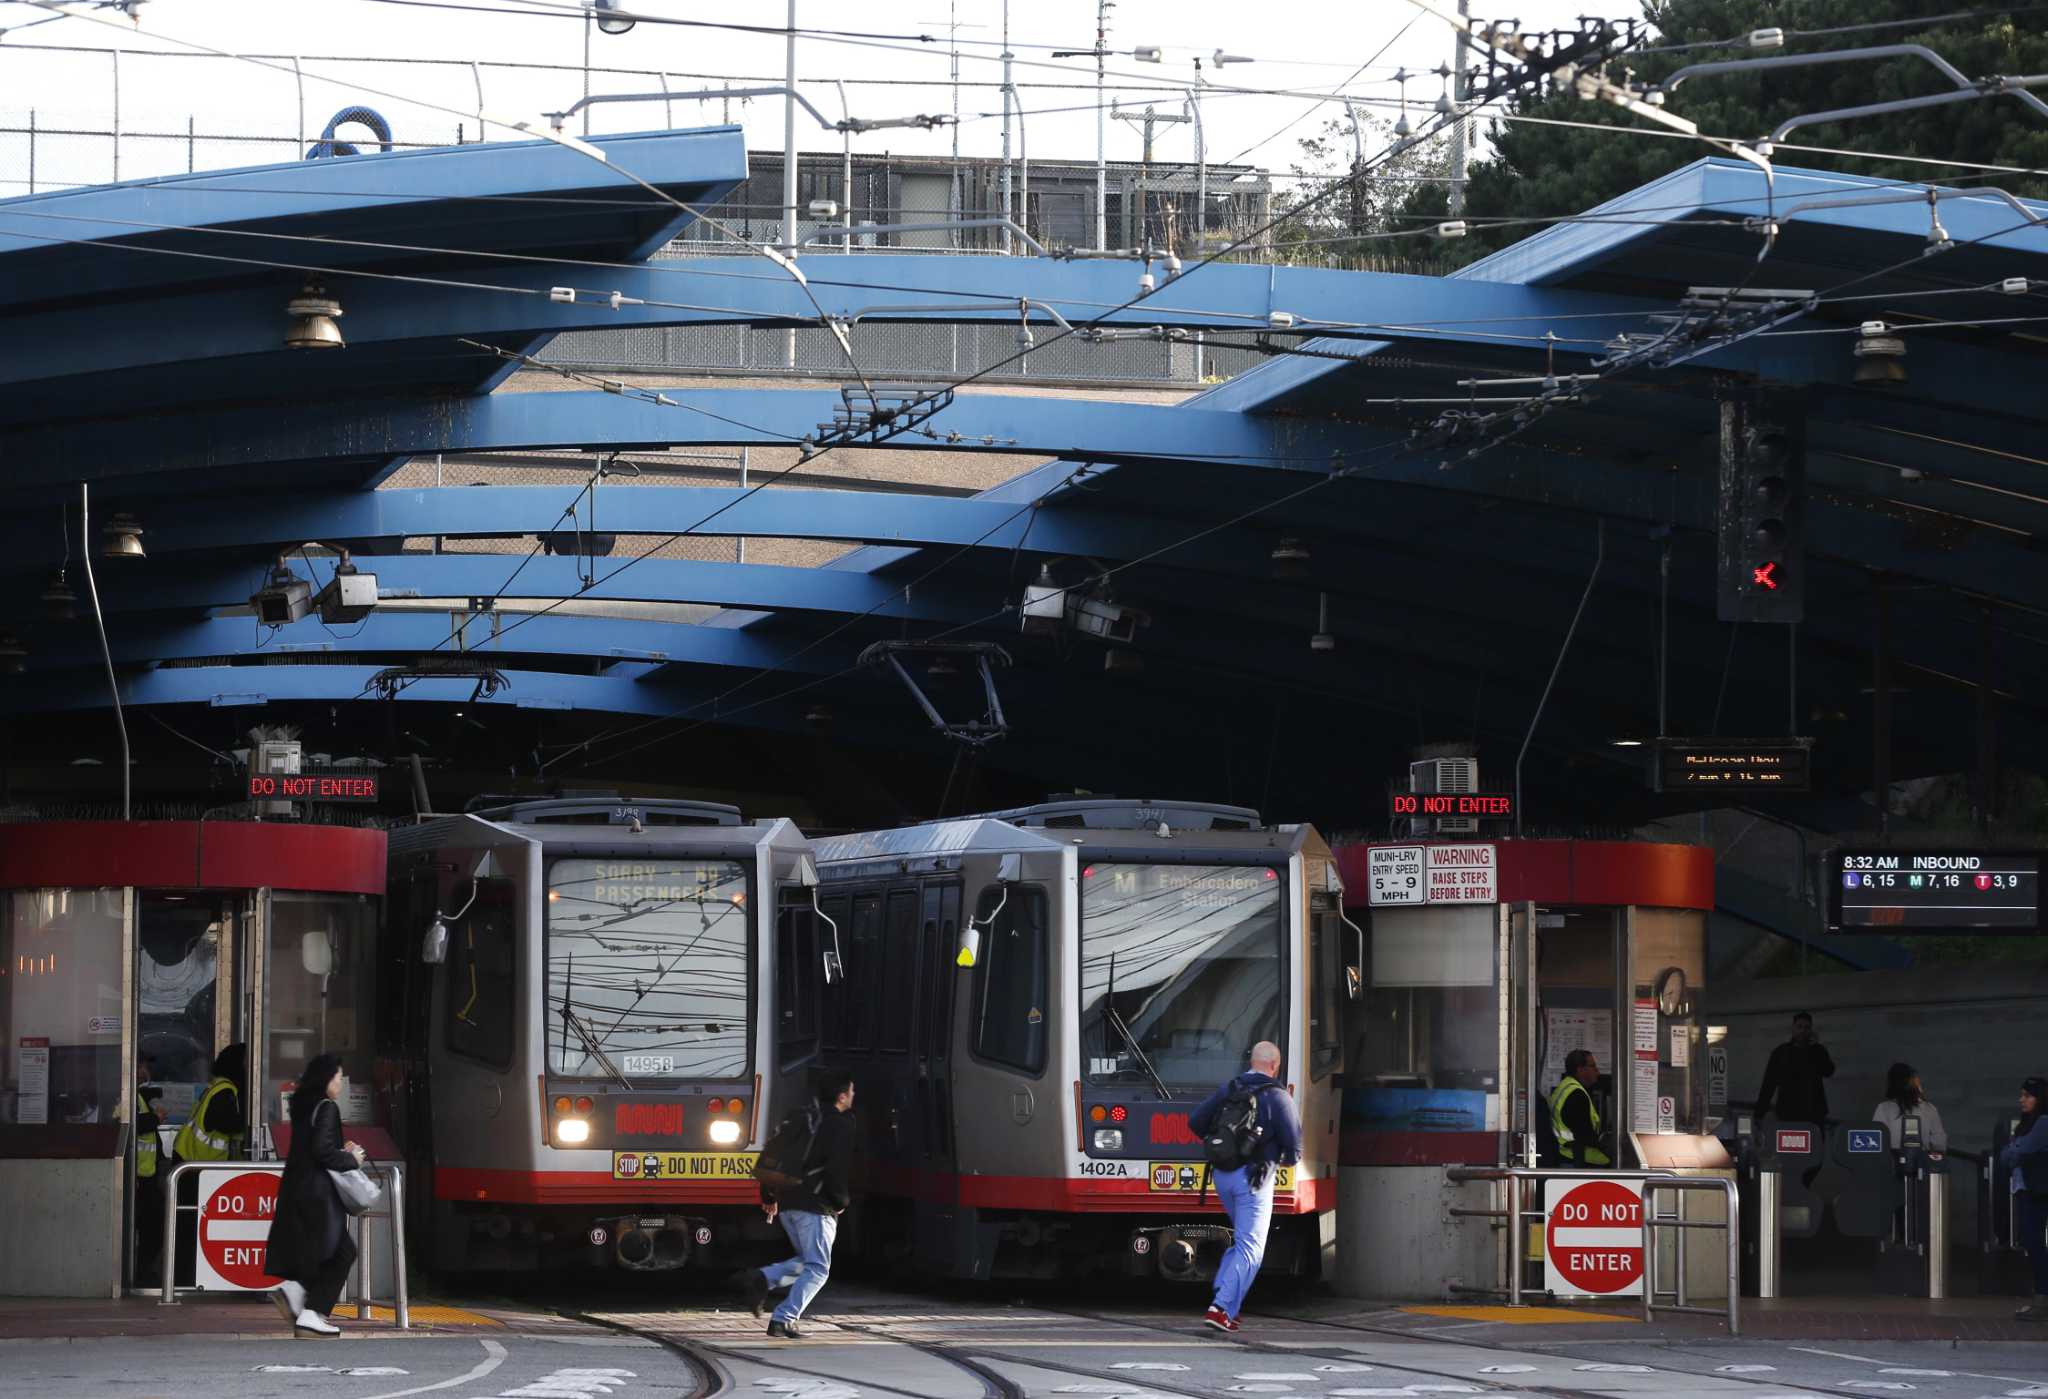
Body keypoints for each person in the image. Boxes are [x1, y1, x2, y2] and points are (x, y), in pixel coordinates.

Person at [1189, 1040, 1301, 1334]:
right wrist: (1279, 1157)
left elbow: (1196, 1122)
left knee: (1242, 1241)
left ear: (1251, 1061)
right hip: (1254, 1180)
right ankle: (1221, 1308)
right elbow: (1294, 1149)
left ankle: (1228, 1302)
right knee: (1252, 1248)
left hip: (1222, 1175)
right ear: (1275, 1066)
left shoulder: (1231, 1088)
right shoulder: (1278, 1097)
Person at [741, 1071, 856, 1339]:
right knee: (818, 1268)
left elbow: (772, 1156)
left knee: (807, 1261)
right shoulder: (839, 1124)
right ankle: (784, 1318)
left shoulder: (803, 1117)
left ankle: (763, 1278)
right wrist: (840, 1201)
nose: (853, 1096)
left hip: (789, 1203)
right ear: (842, 1096)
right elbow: (836, 1169)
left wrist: (768, 1196)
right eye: (851, 1092)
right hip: (815, 1207)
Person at [262, 1054, 367, 1337]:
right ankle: (312, 1312)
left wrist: (337, 1148)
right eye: (337, 1078)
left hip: (296, 1189)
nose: (340, 1085)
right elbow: (322, 1152)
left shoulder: (301, 1104)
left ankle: (294, 1290)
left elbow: (313, 1146)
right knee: (343, 1252)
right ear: (325, 1079)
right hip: (319, 1195)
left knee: (319, 1250)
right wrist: (352, 1159)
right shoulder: (328, 1107)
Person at [172, 1043, 247, 1286]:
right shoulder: (226, 1090)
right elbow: (224, 1123)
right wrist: (244, 1124)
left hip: (191, 1161)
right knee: (190, 1226)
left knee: (187, 1225)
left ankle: (184, 1276)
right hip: (196, 1166)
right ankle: (186, 1278)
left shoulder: (217, 1086)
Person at [2001, 1077, 2048, 1322]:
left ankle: (2041, 1301)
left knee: (2036, 1245)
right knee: (2035, 1244)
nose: (2022, 1099)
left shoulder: (2043, 1122)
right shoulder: (2028, 1123)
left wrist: (2014, 1148)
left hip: (2037, 1193)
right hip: (2029, 1190)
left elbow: (2022, 1149)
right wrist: (2014, 1149)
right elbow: (2008, 1155)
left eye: (2027, 1095)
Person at [1754, 1012, 1835, 1125]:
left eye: (1807, 1028)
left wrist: (1815, 1048)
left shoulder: (1817, 1050)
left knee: (1814, 1142)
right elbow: (1769, 1084)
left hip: (1813, 1113)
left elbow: (1829, 1071)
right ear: (1793, 1028)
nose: (1803, 1031)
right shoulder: (1781, 1052)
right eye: (1799, 1027)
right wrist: (1759, 1114)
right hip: (1788, 1113)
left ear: (1811, 1030)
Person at [1550, 1049, 1612, 1167]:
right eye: (1592, 1066)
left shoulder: (1564, 1088)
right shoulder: (1576, 1094)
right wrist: (1608, 1147)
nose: (1597, 1071)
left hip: (1566, 1156)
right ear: (1580, 1070)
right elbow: (1585, 1134)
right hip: (1581, 1160)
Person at [133, 1057, 165, 1288]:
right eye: (142, 1066)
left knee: (151, 1226)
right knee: (151, 1226)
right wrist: (156, 1118)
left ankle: (143, 1270)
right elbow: (131, 1123)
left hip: (146, 1174)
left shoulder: (137, 1096)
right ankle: (141, 1272)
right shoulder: (125, 1095)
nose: (146, 1071)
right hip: (137, 1176)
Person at [1872, 1062, 1947, 1156]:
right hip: (1921, 1164)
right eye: (1915, 1080)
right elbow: (1939, 1144)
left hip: (1891, 1165)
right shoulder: (1929, 1109)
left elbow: (1876, 1143)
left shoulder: (1883, 1108)